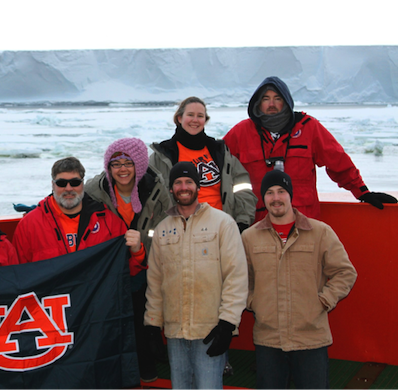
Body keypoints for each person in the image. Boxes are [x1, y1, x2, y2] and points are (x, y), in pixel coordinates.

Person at [242, 170, 357, 390]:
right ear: (263, 198)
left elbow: (345, 272)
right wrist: (253, 302)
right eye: (269, 193)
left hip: (311, 337)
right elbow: (239, 278)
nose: (276, 198)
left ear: (290, 195)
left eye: (281, 191)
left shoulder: (320, 232)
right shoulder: (249, 237)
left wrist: (324, 300)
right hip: (269, 338)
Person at [224, 76, 397, 222]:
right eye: (265, 98)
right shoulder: (241, 132)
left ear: (286, 101)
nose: (271, 104)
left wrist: (362, 193)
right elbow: (216, 164)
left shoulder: (308, 127)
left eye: (277, 98)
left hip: (303, 221)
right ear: (257, 103)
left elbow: (337, 161)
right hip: (259, 222)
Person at [144, 162, 248, 390]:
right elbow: (155, 281)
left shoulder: (223, 223)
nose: (184, 187)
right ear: (171, 189)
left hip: (210, 330)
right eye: (178, 183)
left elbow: (236, 276)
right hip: (175, 331)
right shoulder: (162, 229)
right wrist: (152, 325)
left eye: (189, 182)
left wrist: (228, 323)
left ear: (197, 186)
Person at [85, 137, 171, 382]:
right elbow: (65, 200)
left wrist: (143, 248)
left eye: (128, 163)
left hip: (148, 261)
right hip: (110, 267)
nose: (122, 169)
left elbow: (167, 228)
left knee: (140, 305)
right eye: (115, 164)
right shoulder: (94, 189)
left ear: (140, 164)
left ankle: (146, 363)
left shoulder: (156, 187)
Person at [13, 156, 145, 275]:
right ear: (53, 185)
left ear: (82, 184)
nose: (69, 188)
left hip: (95, 300)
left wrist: (137, 252)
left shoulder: (109, 222)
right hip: (53, 300)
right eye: (61, 183)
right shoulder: (29, 225)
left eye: (75, 182)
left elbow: (126, 272)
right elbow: (18, 275)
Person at [150, 96, 257, 233]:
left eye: (200, 116)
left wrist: (242, 221)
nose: (195, 120)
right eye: (190, 115)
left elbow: (243, 188)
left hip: (221, 227)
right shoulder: (163, 155)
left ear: (205, 120)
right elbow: (149, 195)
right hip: (182, 230)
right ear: (179, 118)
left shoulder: (220, 152)